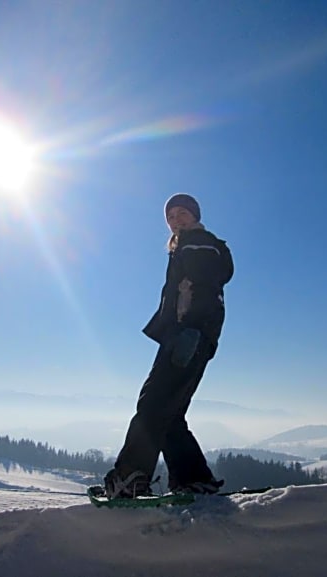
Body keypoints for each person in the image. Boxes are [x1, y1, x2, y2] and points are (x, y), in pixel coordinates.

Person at [104, 193, 234, 498]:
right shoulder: (191, 245)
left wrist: (190, 329)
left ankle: (130, 478)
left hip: (187, 336)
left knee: (152, 404)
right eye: (171, 217)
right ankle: (193, 479)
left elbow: (203, 288)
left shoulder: (198, 243)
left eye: (182, 213)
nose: (177, 220)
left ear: (195, 215)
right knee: (170, 413)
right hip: (191, 337)